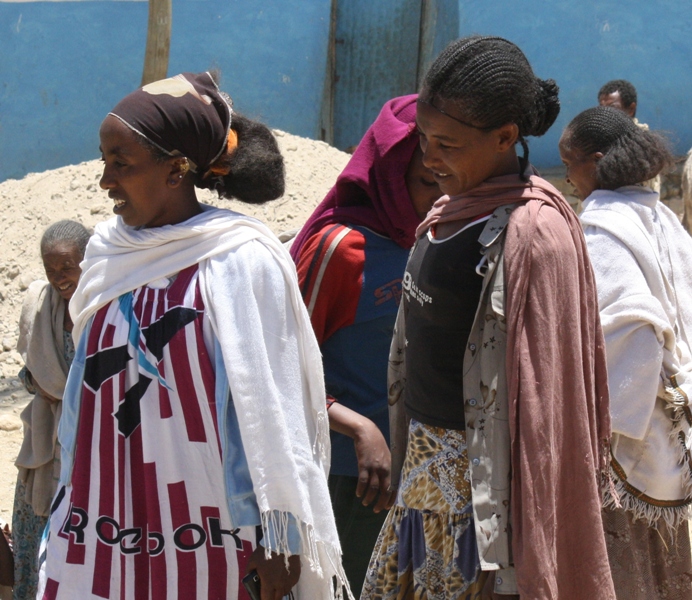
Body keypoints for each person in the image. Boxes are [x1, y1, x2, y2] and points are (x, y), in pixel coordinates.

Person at [36, 72, 350, 600]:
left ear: (177, 167)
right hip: (103, 520)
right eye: (104, 161)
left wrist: (281, 535)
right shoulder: (107, 256)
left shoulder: (240, 260)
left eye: (122, 163)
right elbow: (80, 399)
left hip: (212, 533)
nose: (105, 181)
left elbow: (273, 414)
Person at [361, 36, 616, 600]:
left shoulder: (533, 234)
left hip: (484, 495)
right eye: (424, 140)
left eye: (446, 144)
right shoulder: (448, 212)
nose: (429, 158)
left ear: (505, 138)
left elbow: (550, 406)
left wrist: (523, 541)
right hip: (426, 480)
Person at [289, 94, 441, 595]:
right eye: (424, 181)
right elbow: (283, 366)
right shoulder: (342, 249)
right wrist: (358, 427)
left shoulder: (433, 238)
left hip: (412, 466)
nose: (437, 194)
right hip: (347, 473)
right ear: (390, 176)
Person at [559, 105, 692, 599]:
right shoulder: (662, 218)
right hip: (674, 430)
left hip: (625, 436)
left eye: (569, 163)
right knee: (667, 561)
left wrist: (599, 420)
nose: (568, 179)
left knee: (621, 565)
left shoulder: (601, 230)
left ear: (593, 162)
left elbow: (630, 328)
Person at [11, 219, 89, 600]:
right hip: (47, 447)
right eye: (50, 269)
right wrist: (41, 386)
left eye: (67, 268)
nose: (59, 278)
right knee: (34, 540)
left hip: (93, 444)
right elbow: (28, 375)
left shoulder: (105, 308)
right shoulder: (42, 307)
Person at [597, 79, 660, 192]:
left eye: (612, 108)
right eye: (602, 108)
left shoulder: (643, 143)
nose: (606, 113)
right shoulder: (597, 140)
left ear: (631, 109)